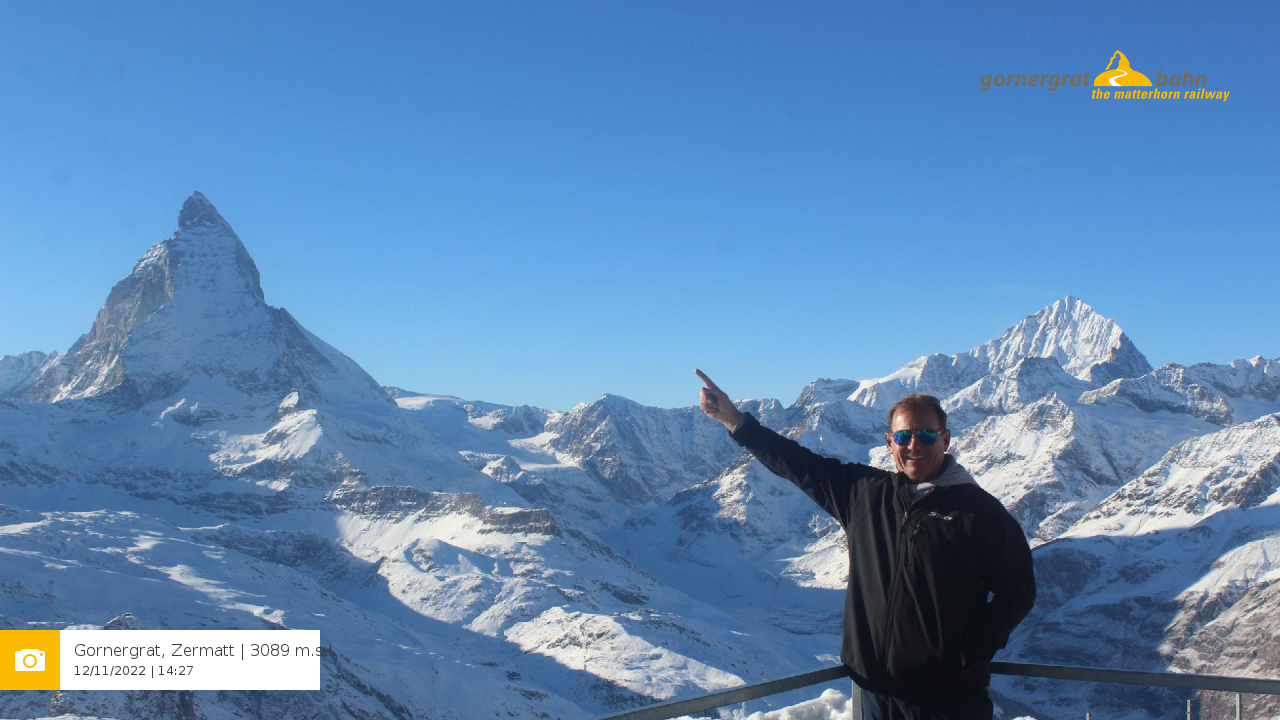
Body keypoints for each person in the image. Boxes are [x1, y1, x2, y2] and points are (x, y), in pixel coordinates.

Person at [696, 369, 1035, 720]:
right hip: (873, 692)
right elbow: (799, 464)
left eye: (925, 434)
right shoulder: (866, 494)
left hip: (947, 699)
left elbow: (1019, 590)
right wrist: (734, 421)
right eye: (903, 436)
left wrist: (971, 650)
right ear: (889, 442)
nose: (914, 445)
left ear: (945, 439)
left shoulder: (979, 512)